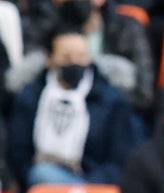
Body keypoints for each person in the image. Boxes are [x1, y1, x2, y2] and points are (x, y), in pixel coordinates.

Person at [7, 24, 143, 189]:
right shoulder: (31, 96)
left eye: (81, 56)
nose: (75, 63)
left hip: (94, 186)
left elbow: (121, 158)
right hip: (39, 185)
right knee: (42, 173)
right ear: (50, 59)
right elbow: (19, 152)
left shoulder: (111, 99)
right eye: (66, 58)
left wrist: (88, 185)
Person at [13, 0, 155, 116]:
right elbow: (24, 83)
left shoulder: (126, 28)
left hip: (108, 115)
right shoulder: (47, 22)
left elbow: (143, 95)